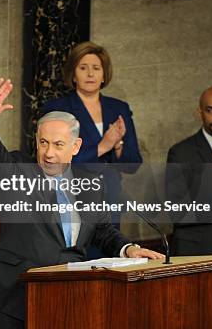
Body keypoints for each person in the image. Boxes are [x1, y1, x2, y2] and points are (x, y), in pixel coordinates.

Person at [0, 78, 162, 328]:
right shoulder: (20, 172)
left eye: (58, 145)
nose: (49, 153)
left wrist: (128, 249)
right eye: (43, 143)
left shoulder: (91, 184)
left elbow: (103, 231)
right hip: (16, 296)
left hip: (70, 294)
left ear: (76, 146)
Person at [42, 42, 143, 235]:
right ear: (73, 74)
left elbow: (134, 164)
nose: (90, 74)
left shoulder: (119, 109)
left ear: (104, 75)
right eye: (83, 68)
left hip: (111, 200)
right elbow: (55, 162)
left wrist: (118, 145)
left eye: (96, 68)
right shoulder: (58, 108)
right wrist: (102, 146)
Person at [166, 86, 212, 256]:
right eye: (210, 110)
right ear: (200, 113)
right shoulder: (181, 153)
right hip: (200, 253)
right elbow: (176, 212)